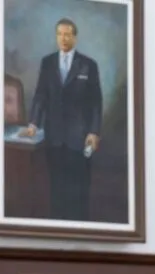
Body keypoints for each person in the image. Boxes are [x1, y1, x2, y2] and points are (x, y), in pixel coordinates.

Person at [20, 17, 103, 221]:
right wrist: (33, 124)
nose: (63, 38)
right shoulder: (47, 62)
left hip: (80, 137)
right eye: (59, 34)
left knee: (79, 188)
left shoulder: (88, 65)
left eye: (67, 34)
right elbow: (40, 96)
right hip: (54, 137)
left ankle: (79, 228)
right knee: (56, 187)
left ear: (74, 37)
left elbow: (96, 102)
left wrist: (94, 131)